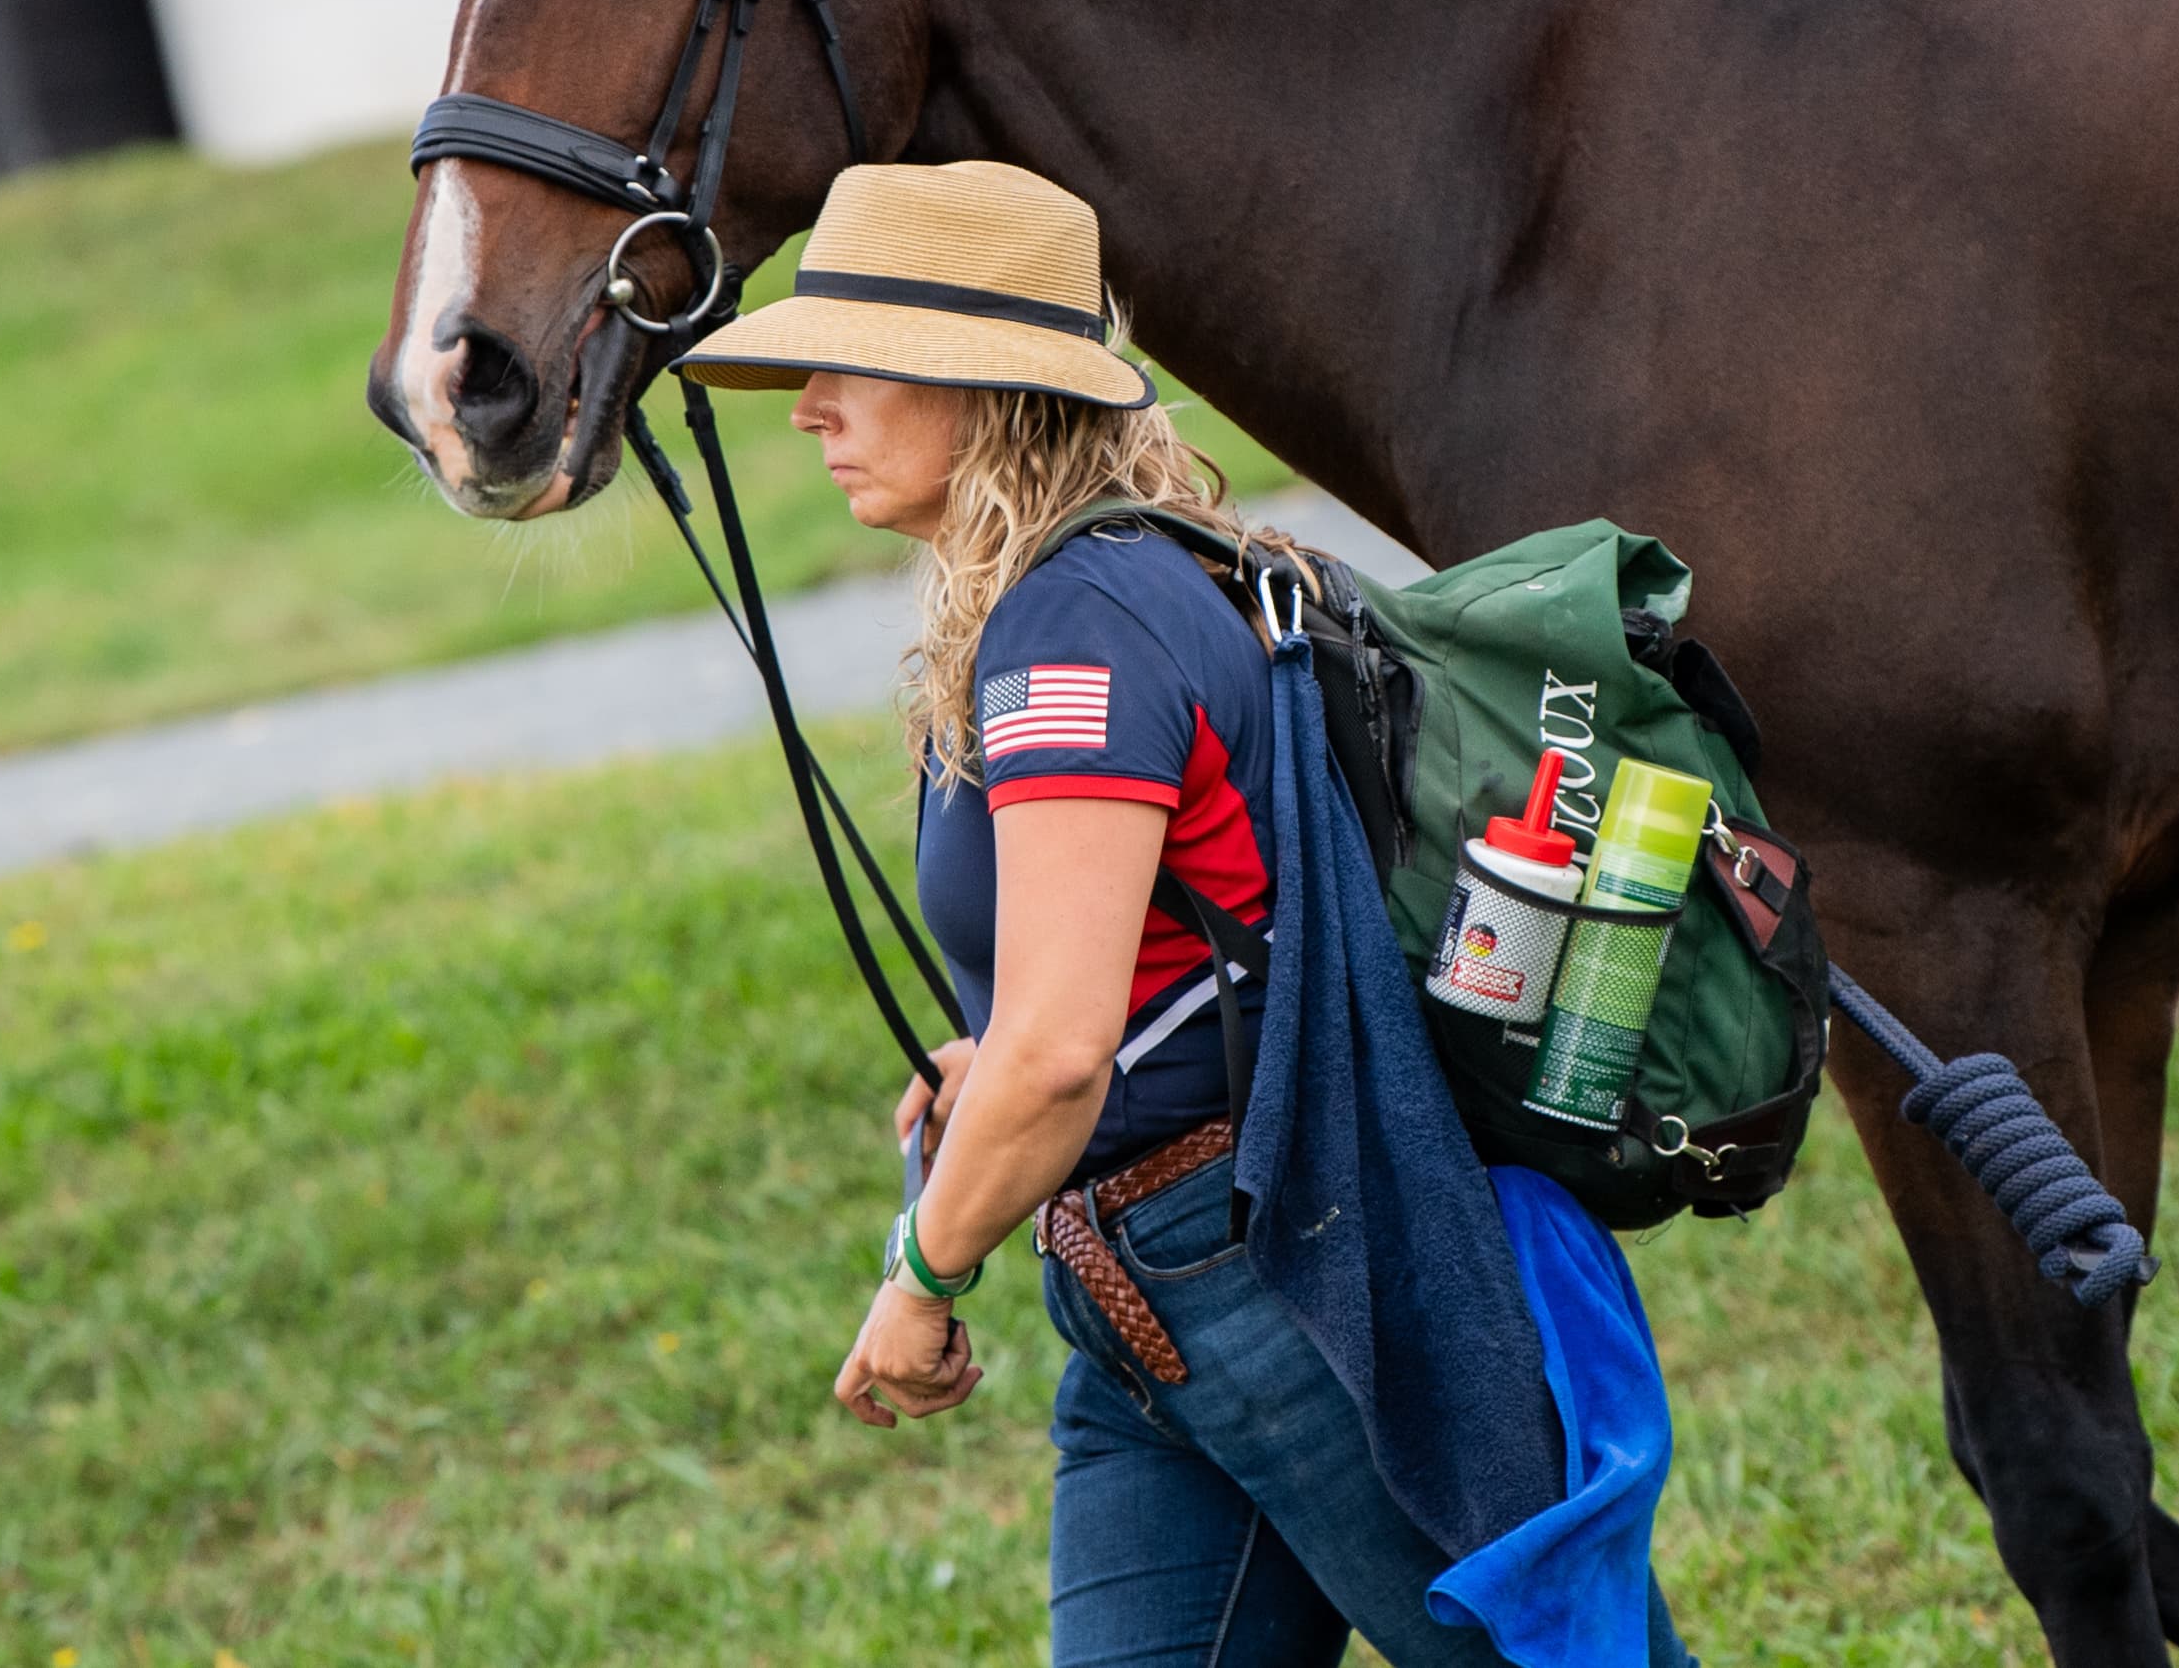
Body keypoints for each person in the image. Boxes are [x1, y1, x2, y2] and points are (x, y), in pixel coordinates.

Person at [677, 159, 1638, 1666]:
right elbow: (1157, 949)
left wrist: (921, 1272)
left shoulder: (1073, 632)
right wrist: (978, 1061)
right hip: (1151, 1292)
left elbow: (1061, 1057)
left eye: (849, 369)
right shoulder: (1133, 578)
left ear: (981, 386)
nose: (806, 407)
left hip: (1267, 1279)